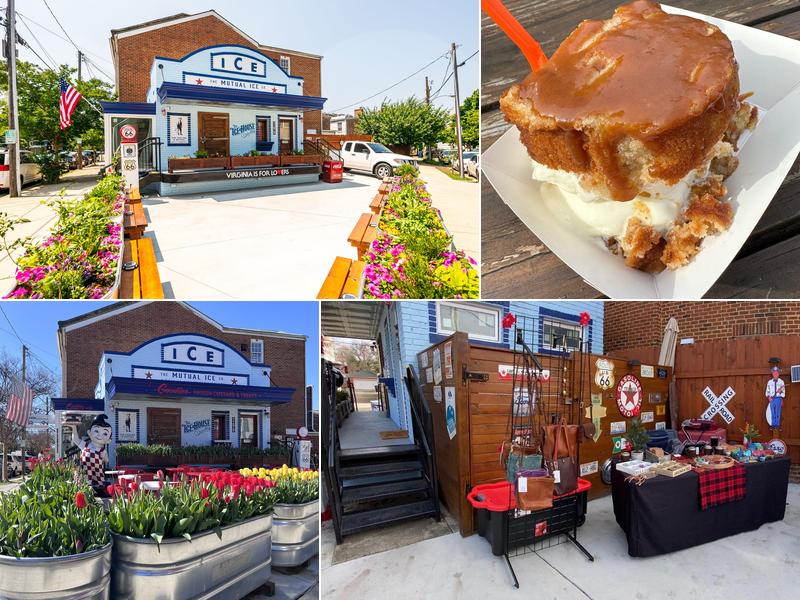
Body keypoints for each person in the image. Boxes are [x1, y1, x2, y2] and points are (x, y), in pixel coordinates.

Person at [68, 414, 113, 493]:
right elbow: (75, 439)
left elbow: (107, 460)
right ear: (89, 432)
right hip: (86, 471)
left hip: (98, 472)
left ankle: (101, 490)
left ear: (109, 440)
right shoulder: (85, 446)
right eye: (96, 431)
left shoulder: (102, 451)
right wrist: (74, 427)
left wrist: (104, 457)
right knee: (86, 481)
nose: (99, 435)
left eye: (105, 433)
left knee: (100, 482)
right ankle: (87, 490)